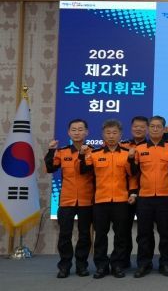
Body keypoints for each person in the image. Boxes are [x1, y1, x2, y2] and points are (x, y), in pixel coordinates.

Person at [131, 116, 168, 278]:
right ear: (148, 129)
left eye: (158, 127)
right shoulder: (139, 148)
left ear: (163, 129)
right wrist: (133, 192)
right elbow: (134, 174)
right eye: (152, 126)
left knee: (166, 233)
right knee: (144, 234)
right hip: (144, 197)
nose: (155, 129)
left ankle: (166, 263)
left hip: (165, 197)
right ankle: (144, 264)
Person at [85, 119, 138, 279]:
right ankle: (101, 266)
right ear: (103, 135)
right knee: (100, 235)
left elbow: (133, 176)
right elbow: (85, 175)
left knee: (121, 235)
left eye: (114, 133)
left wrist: (133, 193)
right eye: (108, 133)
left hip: (121, 201)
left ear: (120, 135)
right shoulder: (94, 154)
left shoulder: (127, 153)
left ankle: (117, 265)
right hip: (100, 200)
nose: (111, 136)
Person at [45, 119, 94, 278]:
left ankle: (82, 265)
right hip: (66, 199)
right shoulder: (62, 151)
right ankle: (64, 266)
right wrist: (51, 151)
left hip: (87, 199)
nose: (77, 132)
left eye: (80, 129)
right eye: (74, 130)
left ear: (86, 132)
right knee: (64, 235)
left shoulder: (93, 152)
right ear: (68, 133)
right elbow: (50, 168)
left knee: (84, 235)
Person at [119, 115, 149, 268]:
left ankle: (144, 263)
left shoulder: (151, 146)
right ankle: (124, 261)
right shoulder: (122, 145)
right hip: (125, 193)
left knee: (144, 231)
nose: (139, 129)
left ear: (147, 129)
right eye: (136, 126)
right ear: (131, 128)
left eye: (142, 127)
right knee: (124, 229)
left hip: (145, 194)